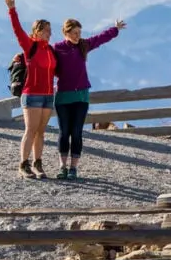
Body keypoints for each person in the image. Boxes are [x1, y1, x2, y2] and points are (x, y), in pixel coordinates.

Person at [52, 17, 126, 180]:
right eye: (74, 33)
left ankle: (73, 168)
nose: (78, 36)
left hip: (81, 96)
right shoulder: (57, 48)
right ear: (66, 32)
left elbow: (100, 39)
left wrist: (115, 30)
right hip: (63, 97)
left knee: (77, 133)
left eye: (79, 33)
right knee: (64, 133)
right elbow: (45, 60)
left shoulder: (83, 46)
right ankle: (62, 167)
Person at [5, 0, 57, 179]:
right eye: (45, 30)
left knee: (41, 132)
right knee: (31, 130)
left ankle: (38, 163)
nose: (49, 34)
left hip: (48, 95)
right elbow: (17, 30)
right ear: (36, 32)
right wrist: (12, 10)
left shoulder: (51, 51)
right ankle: (23, 164)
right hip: (31, 93)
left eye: (50, 30)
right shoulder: (30, 46)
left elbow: (56, 71)